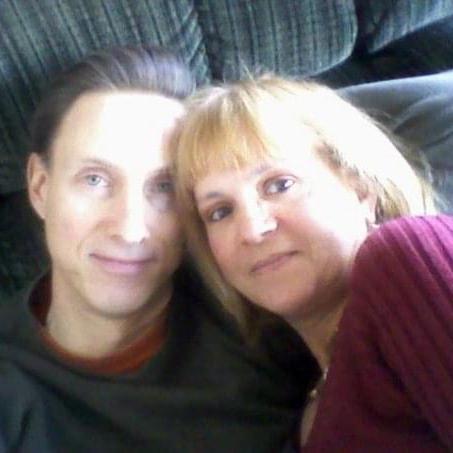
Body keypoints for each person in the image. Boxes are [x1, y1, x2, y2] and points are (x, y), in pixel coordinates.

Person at [0, 48, 312, 452]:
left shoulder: (258, 302)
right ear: (40, 187)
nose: (131, 230)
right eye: (95, 180)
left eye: (165, 187)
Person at [171, 74, 453, 451]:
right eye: (220, 211)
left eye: (279, 185)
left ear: (361, 189)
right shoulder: (304, 412)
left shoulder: (409, 255)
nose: (252, 229)